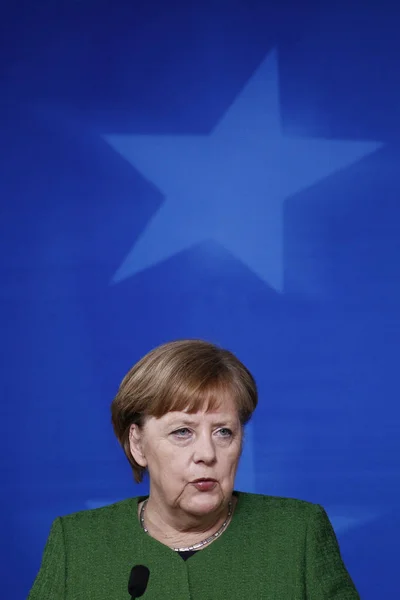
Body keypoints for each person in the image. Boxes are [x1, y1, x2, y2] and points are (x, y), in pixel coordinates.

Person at [28, 339, 360, 599]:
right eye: (182, 432)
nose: (207, 453)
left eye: (223, 432)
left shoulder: (297, 534)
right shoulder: (77, 543)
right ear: (138, 444)